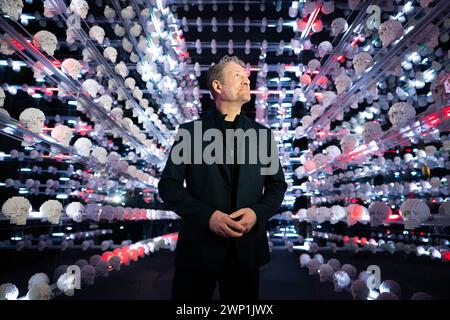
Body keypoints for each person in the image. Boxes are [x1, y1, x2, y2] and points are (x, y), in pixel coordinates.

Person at [158, 55, 287, 300]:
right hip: (198, 249)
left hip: (246, 248)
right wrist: (207, 216)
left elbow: (277, 185)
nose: (246, 80)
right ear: (217, 86)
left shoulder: (263, 136)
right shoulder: (190, 133)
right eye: (237, 75)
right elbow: (169, 186)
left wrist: (256, 213)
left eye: (247, 77)